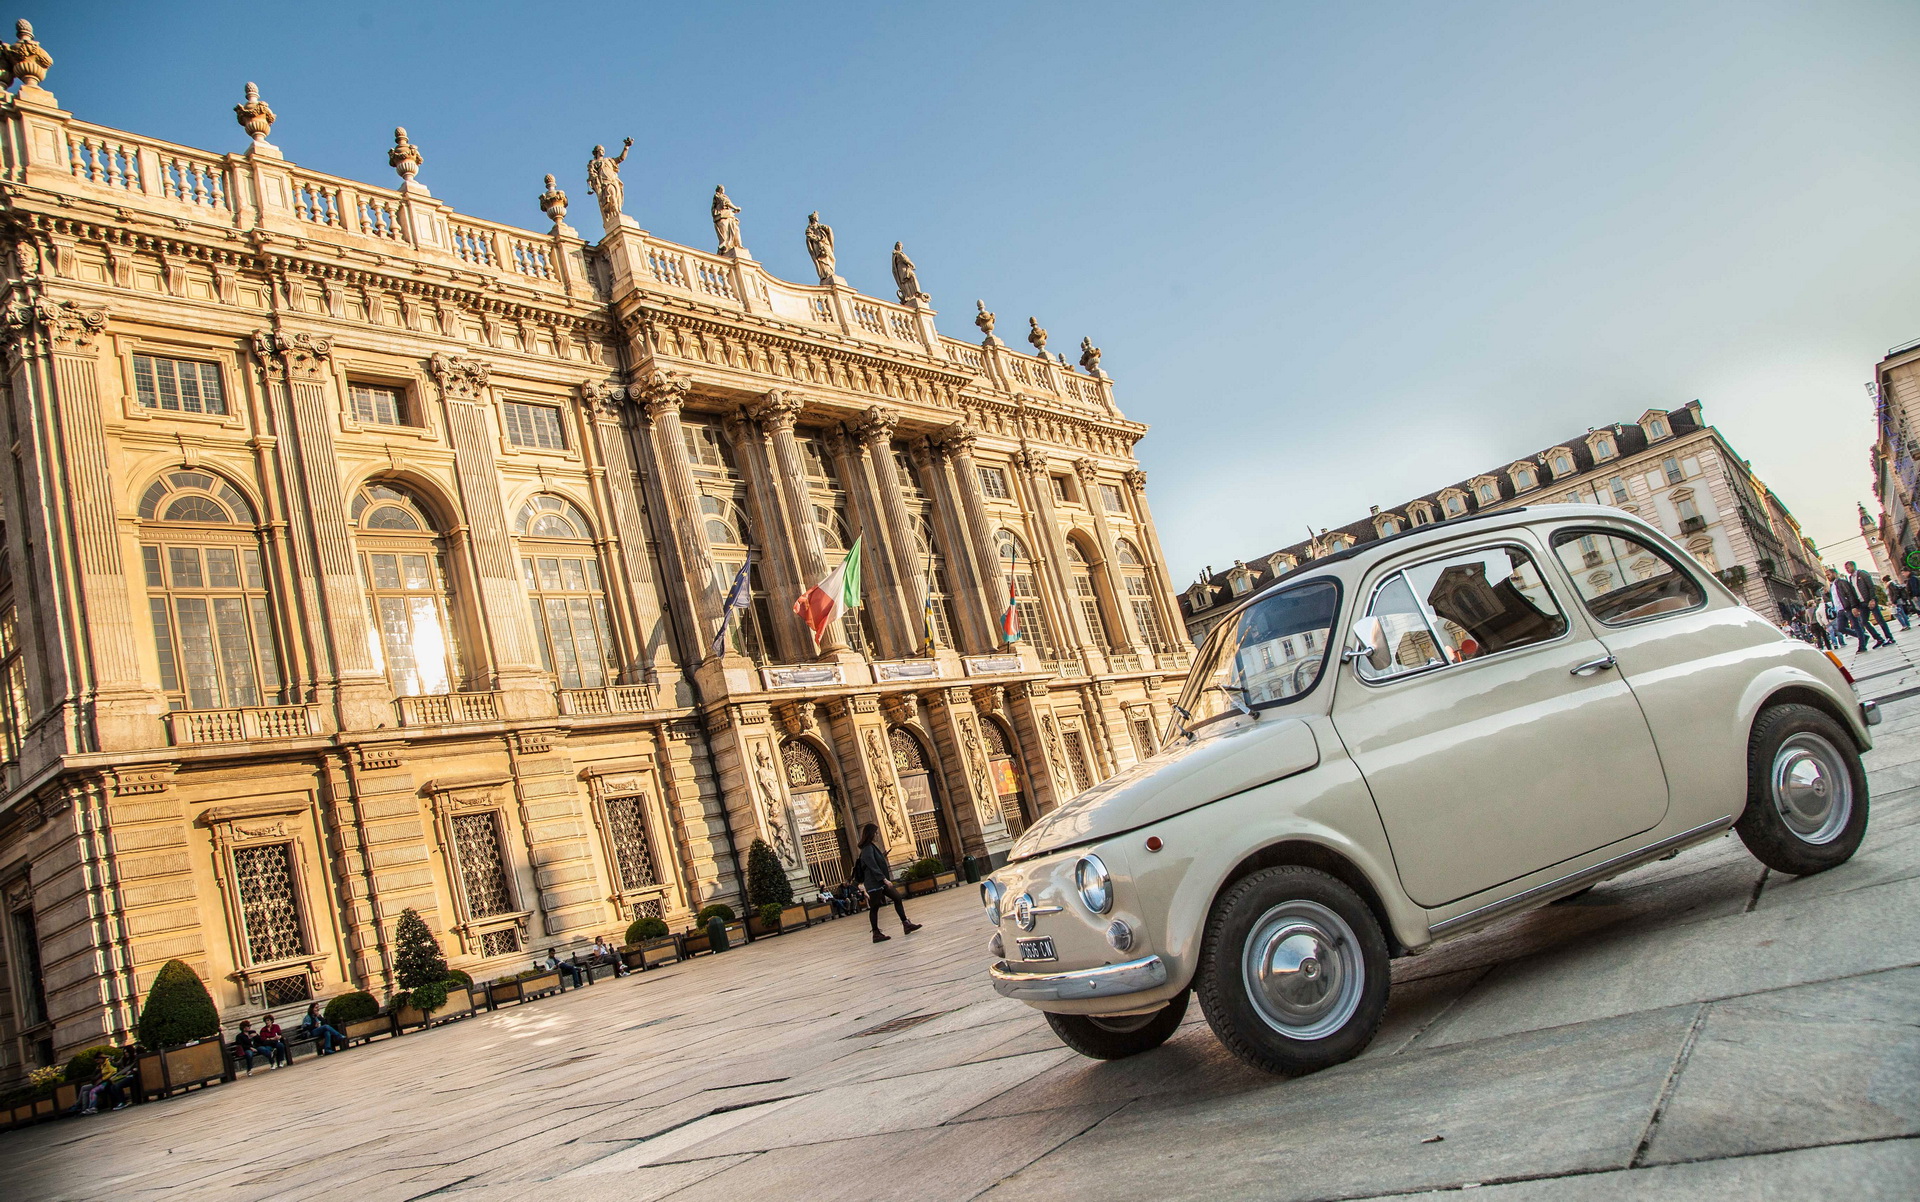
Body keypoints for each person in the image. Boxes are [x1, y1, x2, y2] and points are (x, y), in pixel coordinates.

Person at [851, 822, 921, 943]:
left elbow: (874, 862)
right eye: (876, 833)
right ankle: (876, 933)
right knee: (875, 907)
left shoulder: (871, 847)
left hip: (879, 882)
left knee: (897, 898)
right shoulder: (867, 848)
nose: (877, 835)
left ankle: (906, 923)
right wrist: (884, 879)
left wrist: (882, 856)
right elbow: (872, 865)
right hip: (874, 883)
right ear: (871, 834)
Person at [1846, 560, 1895, 647]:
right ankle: (1878, 638)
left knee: (1880, 620)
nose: (1847, 569)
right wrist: (1855, 606)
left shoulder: (1862, 574)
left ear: (1853, 566)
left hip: (1870, 600)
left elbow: (1871, 587)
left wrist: (1872, 599)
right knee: (1863, 621)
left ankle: (1889, 638)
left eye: (1848, 567)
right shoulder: (1850, 578)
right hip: (1861, 603)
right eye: (1846, 568)